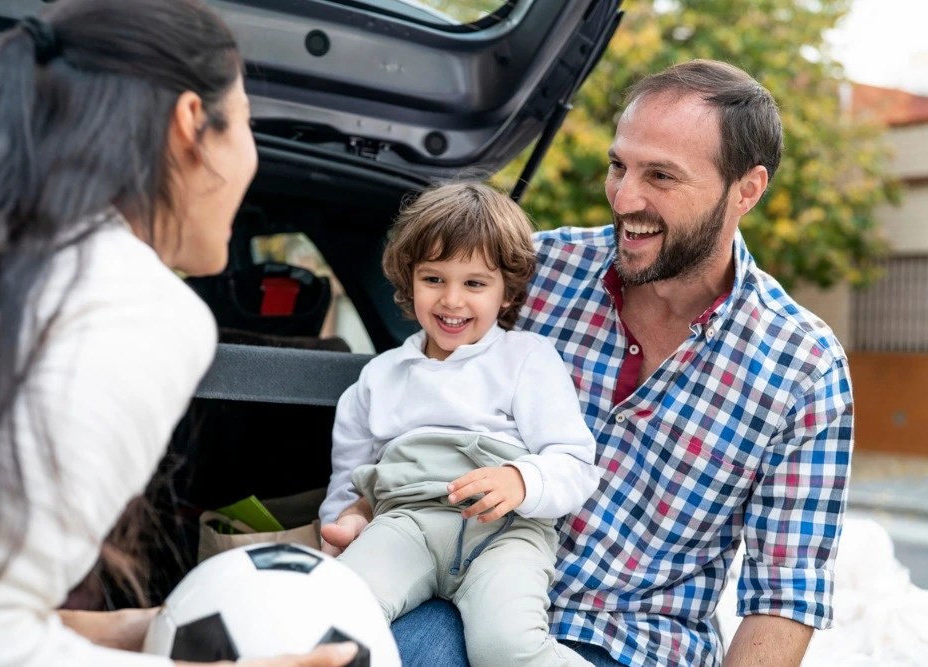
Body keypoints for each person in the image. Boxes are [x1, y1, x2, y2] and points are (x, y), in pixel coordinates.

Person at [324, 59, 855, 667]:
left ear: (747, 189)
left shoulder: (802, 367)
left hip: (638, 644)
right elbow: (419, 393)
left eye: (661, 175)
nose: (625, 198)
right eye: (618, 166)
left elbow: (784, 595)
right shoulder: (532, 271)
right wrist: (367, 507)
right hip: (460, 584)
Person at [0, 1, 357, 666]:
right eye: (249, 123)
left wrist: (118, 631)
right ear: (192, 123)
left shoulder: (5, 259)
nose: (251, 152)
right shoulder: (132, 302)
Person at [318, 181, 602, 667]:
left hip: (506, 532)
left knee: (506, 648)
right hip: (405, 523)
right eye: (434, 279)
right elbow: (348, 477)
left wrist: (519, 478)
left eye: (474, 283)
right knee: (336, 616)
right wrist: (347, 521)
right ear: (408, 281)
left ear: (507, 292)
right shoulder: (379, 378)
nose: (451, 300)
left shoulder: (526, 359)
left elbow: (574, 462)